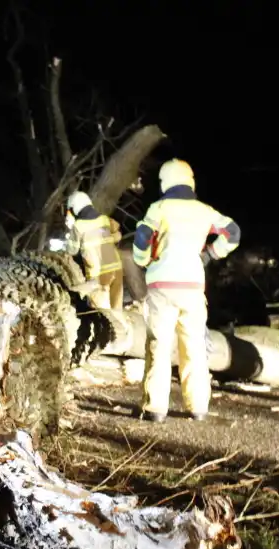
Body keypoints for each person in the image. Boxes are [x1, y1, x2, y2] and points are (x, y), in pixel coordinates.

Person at [132, 159, 241, 422]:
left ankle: (155, 408)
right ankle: (198, 407)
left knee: (159, 346)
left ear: (164, 182)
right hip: (193, 287)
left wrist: (143, 259)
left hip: (162, 286)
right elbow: (233, 233)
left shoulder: (159, 208)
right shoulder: (205, 211)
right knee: (193, 346)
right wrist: (210, 255)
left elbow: (142, 239)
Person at [65, 191, 125, 310]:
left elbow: (71, 251)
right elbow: (118, 233)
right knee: (117, 312)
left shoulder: (78, 226)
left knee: (102, 314)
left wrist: (70, 229)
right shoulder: (104, 219)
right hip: (116, 269)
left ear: (75, 208)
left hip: (98, 276)